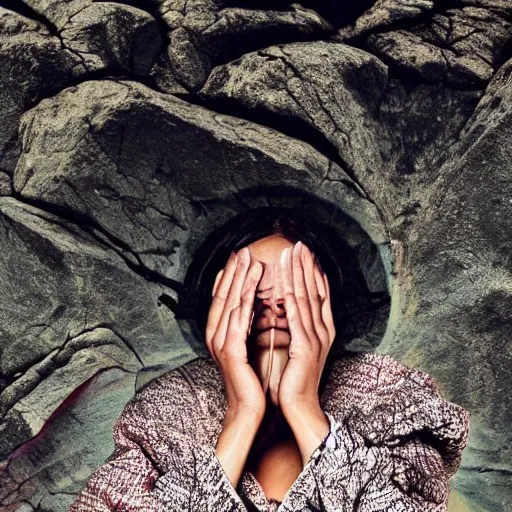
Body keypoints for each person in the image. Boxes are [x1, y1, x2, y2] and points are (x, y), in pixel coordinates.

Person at [68, 207, 470, 512]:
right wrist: (241, 415)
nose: (275, 308)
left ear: (328, 301)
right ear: (217, 302)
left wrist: (303, 407)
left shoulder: (394, 395)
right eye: (253, 293)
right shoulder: (165, 411)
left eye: (294, 294)